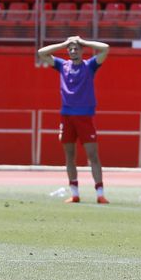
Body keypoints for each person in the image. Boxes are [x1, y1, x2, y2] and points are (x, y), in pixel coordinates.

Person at [37, 34, 110, 204]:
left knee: (93, 155)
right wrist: (64, 43)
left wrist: (82, 41)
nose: (72, 51)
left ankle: (100, 193)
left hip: (85, 116)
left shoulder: (90, 65)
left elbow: (105, 48)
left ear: (82, 51)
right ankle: (74, 192)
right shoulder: (63, 65)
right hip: (67, 116)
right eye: (70, 49)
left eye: (76, 48)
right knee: (69, 155)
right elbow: (41, 53)